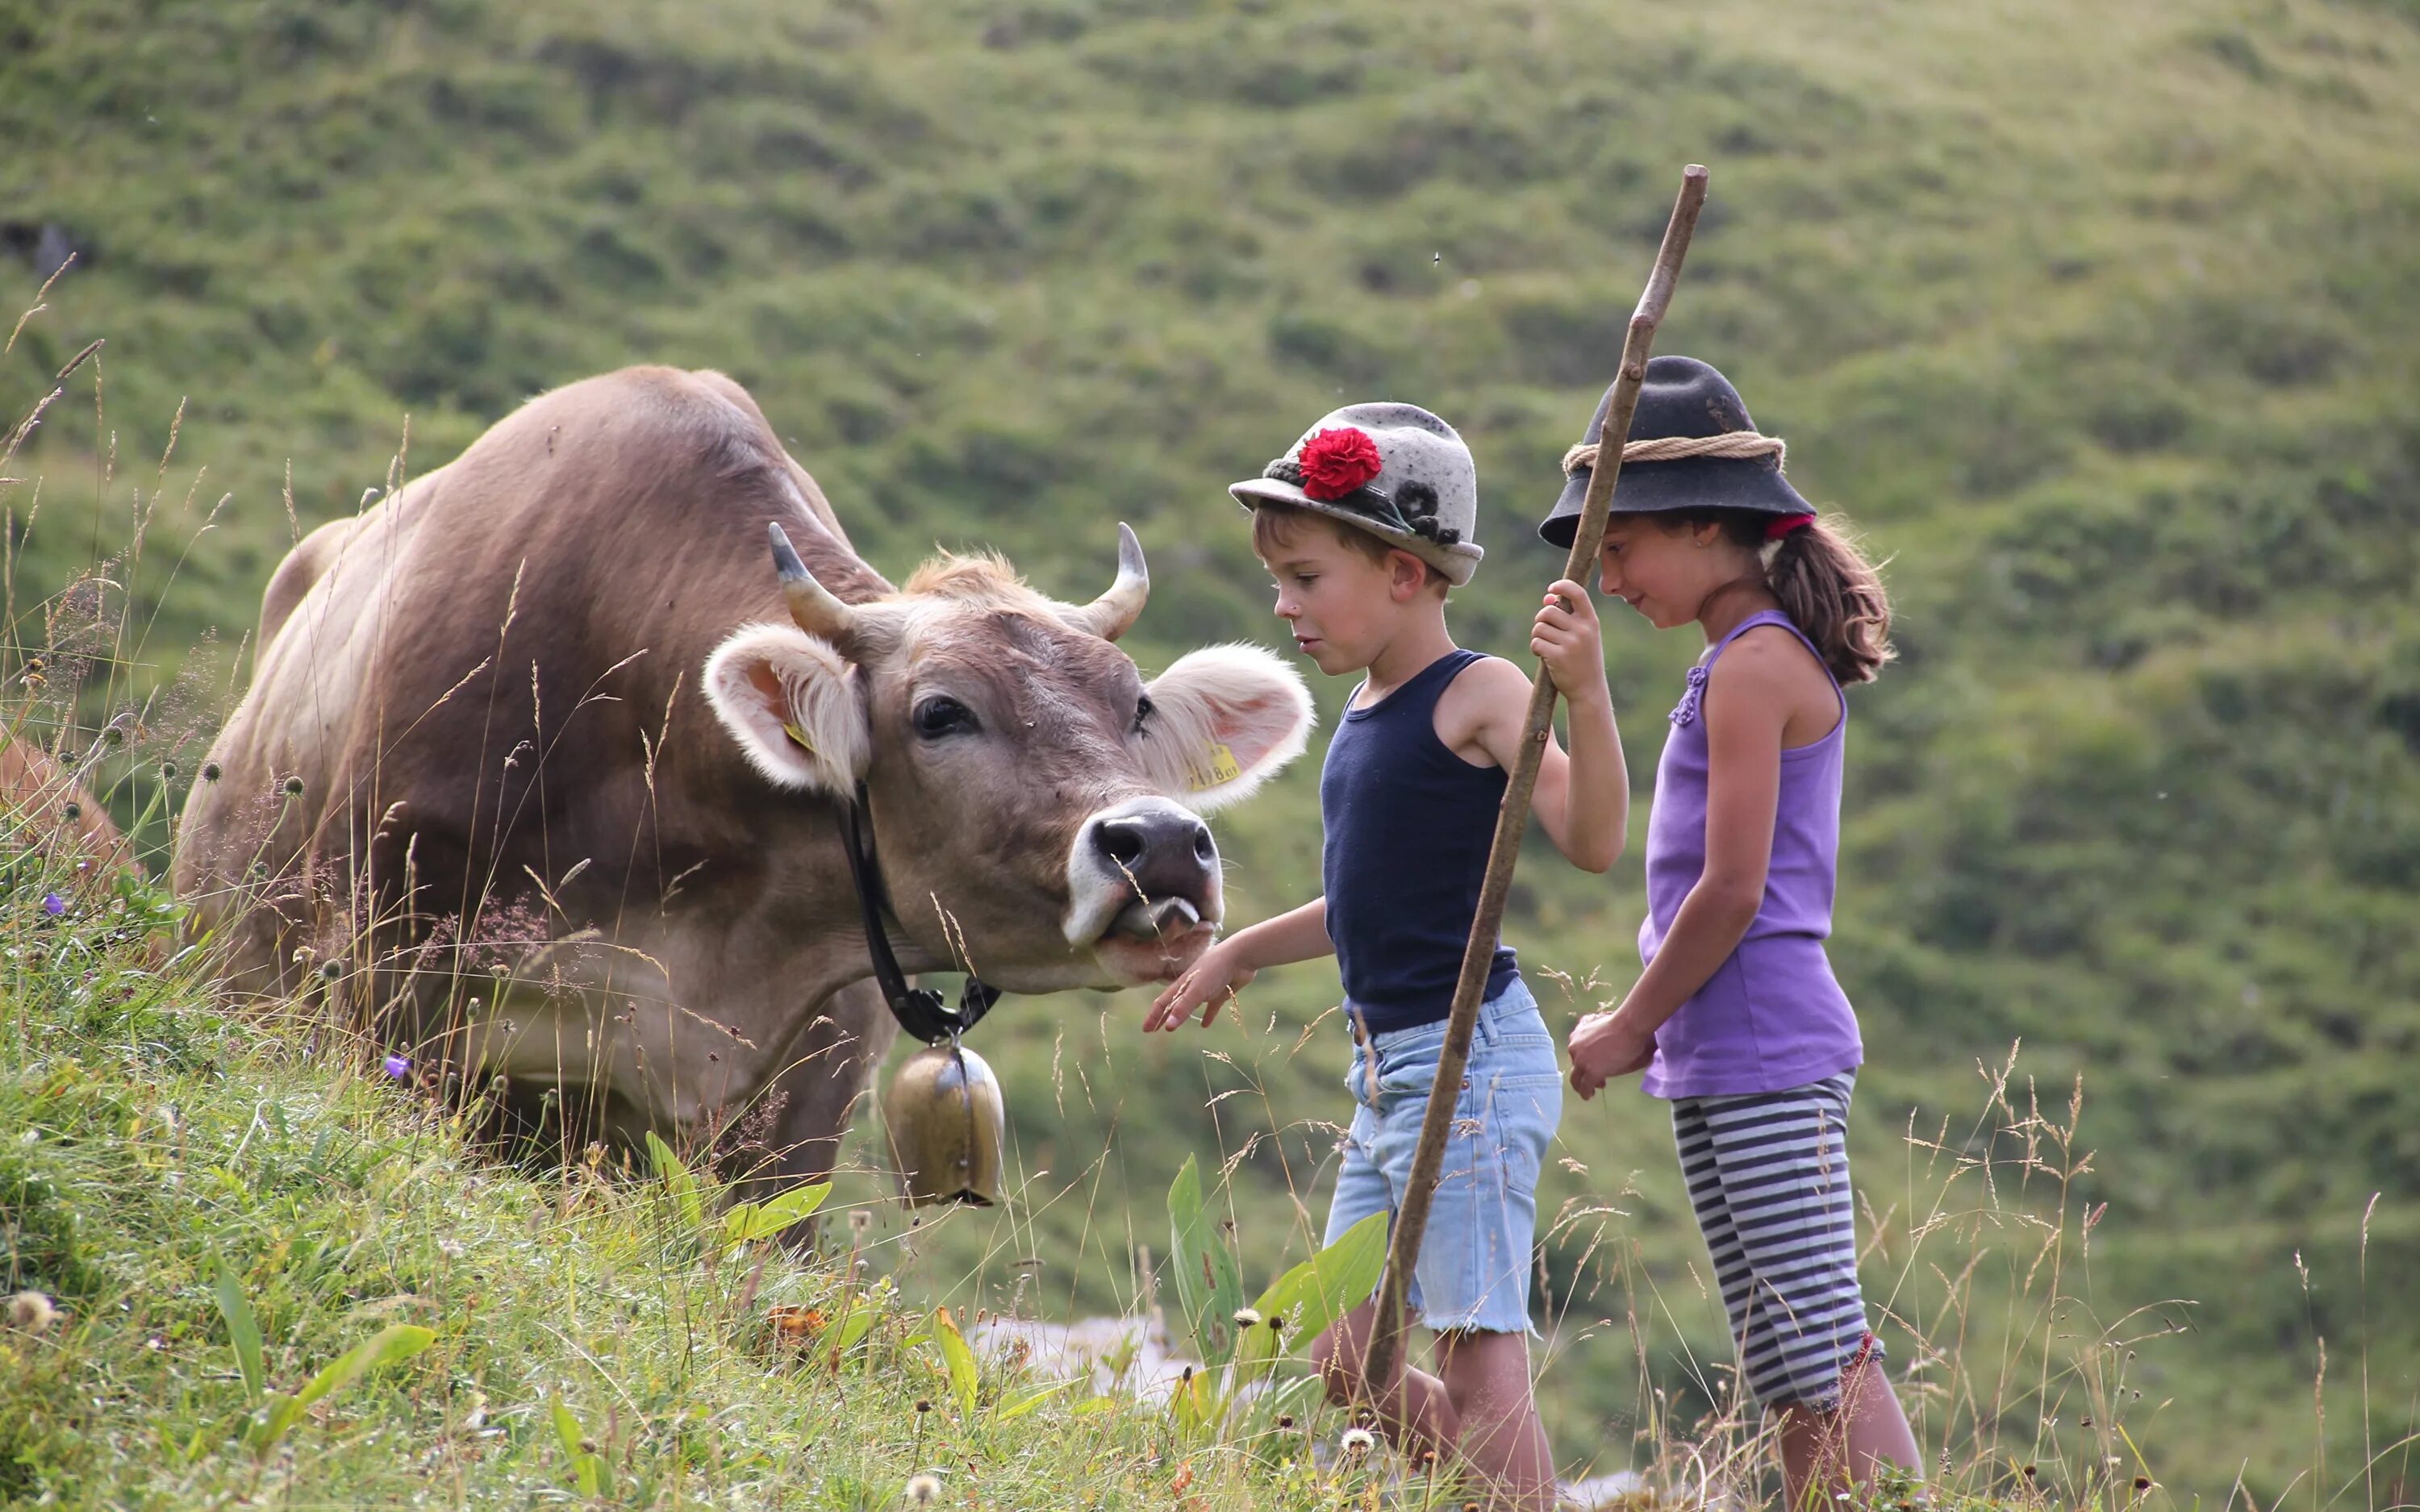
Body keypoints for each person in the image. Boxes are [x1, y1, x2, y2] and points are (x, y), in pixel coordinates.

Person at [1143, 403, 1628, 1510]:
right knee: (1338, 1359)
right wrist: (1241, 955)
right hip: (1389, 1078)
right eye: (1281, 581)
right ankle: (1496, 1493)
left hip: (1467, 1068)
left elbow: (1593, 840)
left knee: (1474, 1350)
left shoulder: (1482, 692)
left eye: (1307, 578)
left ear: (1406, 573)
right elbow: (1367, 905)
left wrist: (1589, 695)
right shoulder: (1366, 711)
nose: (1284, 606)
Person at [1547, 356, 1921, 1500]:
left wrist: (1630, 1023)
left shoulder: (1756, 668)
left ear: (1707, 526)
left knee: (1821, 1345)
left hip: (1761, 1035)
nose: (1610, 577)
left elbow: (1732, 893)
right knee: (1781, 1361)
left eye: (1620, 548)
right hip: (1729, 1045)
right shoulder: (1731, 664)